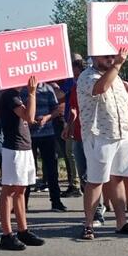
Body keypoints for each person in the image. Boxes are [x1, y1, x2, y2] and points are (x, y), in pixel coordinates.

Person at [76, 51, 128, 239]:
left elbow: (127, 105)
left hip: (121, 134)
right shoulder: (87, 76)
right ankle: (88, 225)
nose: (110, 59)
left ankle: (121, 222)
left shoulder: (118, 78)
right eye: (105, 56)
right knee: (96, 181)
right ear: (94, 57)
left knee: (118, 178)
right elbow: (100, 88)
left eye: (112, 56)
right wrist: (117, 65)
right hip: (99, 135)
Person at [0, 77, 45, 251]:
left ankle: (23, 230)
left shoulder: (16, 96)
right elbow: (29, 117)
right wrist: (32, 93)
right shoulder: (10, 95)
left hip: (24, 147)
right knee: (9, 190)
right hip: (13, 148)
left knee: (21, 190)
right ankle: (6, 234)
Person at [30, 80, 65, 212]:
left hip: (47, 133)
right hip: (29, 136)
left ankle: (56, 202)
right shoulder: (23, 90)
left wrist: (47, 118)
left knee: (52, 169)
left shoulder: (47, 89)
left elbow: (56, 109)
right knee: (27, 170)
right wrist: (29, 119)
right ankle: (22, 203)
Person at [60, 56, 86, 196]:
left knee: (72, 152)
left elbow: (61, 95)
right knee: (73, 153)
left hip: (76, 123)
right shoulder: (79, 81)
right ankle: (78, 183)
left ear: (78, 68)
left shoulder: (75, 82)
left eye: (72, 67)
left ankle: (76, 184)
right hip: (76, 121)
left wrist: (69, 125)